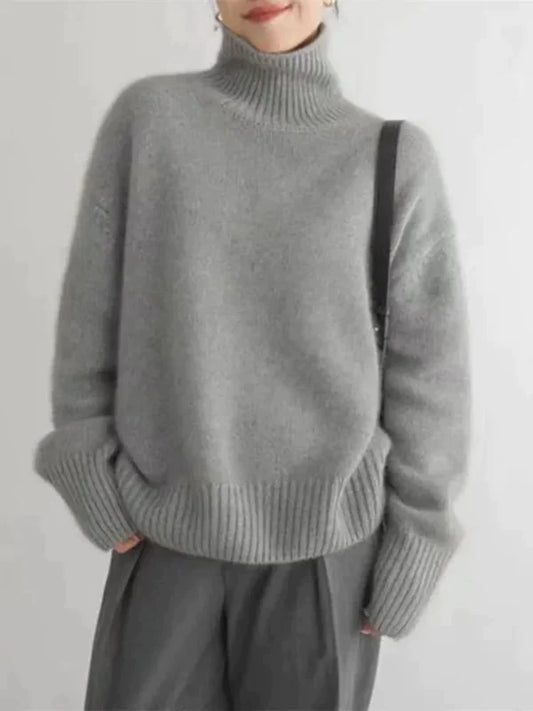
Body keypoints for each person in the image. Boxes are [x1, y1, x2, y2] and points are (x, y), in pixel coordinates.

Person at [32, 0, 472, 709]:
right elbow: (91, 313)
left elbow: (430, 374)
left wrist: (417, 542)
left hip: (327, 556)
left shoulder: (391, 158)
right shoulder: (149, 123)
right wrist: (86, 461)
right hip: (164, 535)